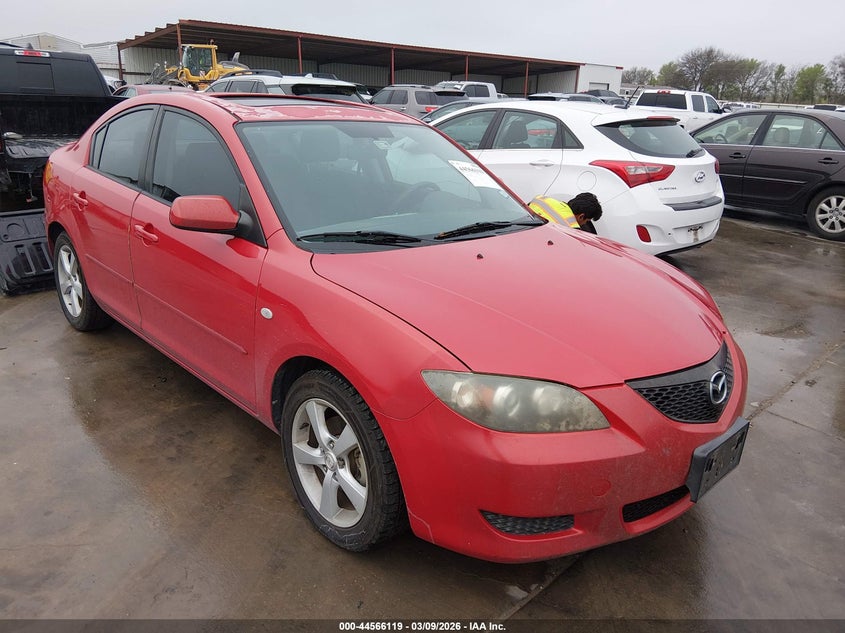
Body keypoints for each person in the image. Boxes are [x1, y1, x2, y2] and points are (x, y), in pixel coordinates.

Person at [529, 192, 603, 233]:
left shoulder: (541, 198)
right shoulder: (571, 229)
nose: (584, 224)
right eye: (587, 221)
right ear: (581, 216)